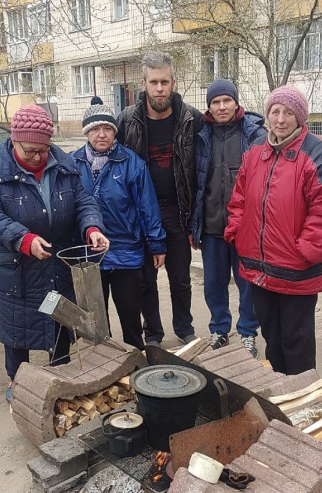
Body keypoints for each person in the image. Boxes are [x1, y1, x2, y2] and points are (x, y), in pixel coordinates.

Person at [0, 105, 110, 401]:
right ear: (14, 142)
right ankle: (17, 379)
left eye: (42, 150)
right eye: (30, 151)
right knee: (16, 323)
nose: (37, 157)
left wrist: (92, 228)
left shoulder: (65, 167)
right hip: (16, 262)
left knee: (58, 314)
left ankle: (60, 371)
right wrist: (23, 238)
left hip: (56, 258)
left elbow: (84, 203)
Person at [225, 86, 322, 375]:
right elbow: (239, 199)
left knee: (297, 340)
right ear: (267, 115)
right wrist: (237, 232)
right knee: (272, 337)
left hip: (297, 270)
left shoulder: (315, 151)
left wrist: (305, 250)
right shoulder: (256, 152)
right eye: (275, 112)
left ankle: (305, 398)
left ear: (300, 118)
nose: (280, 119)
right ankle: (282, 393)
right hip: (259, 269)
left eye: (288, 113)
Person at [117, 51, 203, 347]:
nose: (159, 88)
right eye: (153, 82)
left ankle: (184, 328)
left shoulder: (192, 119)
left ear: (173, 83)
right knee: (144, 280)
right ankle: (152, 333)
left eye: (165, 81)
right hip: (140, 216)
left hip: (178, 213)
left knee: (181, 279)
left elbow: (222, 136)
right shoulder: (126, 121)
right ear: (144, 84)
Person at [71, 98, 167, 350]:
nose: (101, 134)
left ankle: (135, 363)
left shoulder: (132, 163)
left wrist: (156, 244)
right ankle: (104, 363)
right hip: (89, 255)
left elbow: (147, 206)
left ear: (115, 131)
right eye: (94, 129)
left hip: (126, 252)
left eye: (107, 129)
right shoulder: (71, 164)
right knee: (95, 319)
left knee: (130, 318)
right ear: (86, 132)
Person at [190, 79, 267, 357]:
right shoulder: (200, 136)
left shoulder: (255, 134)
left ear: (236, 102)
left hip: (246, 229)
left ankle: (247, 332)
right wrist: (193, 224)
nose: (222, 107)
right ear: (209, 106)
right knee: (214, 283)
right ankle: (219, 329)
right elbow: (194, 183)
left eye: (227, 101)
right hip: (212, 227)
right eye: (215, 102)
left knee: (248, 284)